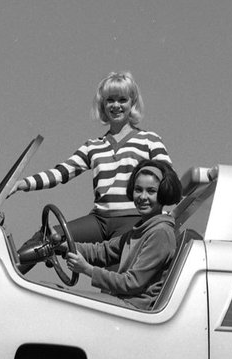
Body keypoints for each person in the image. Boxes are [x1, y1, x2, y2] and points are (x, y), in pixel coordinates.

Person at [11, 71, 172, 248]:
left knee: (111, 270)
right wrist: (21, 184)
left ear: (132, 103)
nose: (116, 105)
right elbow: (61, 172)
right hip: (100, 220)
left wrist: (162, 214)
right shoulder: (93, 146)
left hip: (133, 218)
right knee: (47, 238)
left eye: (122, 100)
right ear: (103, 105)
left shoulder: (149, 140)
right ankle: (10, 268)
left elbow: (167, 179)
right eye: (110, 100)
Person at [63, 159, 183, 309]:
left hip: (134, 310)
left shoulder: (160, 233)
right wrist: (65, 246)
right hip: (121, 303)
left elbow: (131, 283)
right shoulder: (141, 229)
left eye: (151, 191)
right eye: (138, 190)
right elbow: (105, 251)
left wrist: (87, 269)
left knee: (61, 302)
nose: (143, 197)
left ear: (163, 194)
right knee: (54, 293)